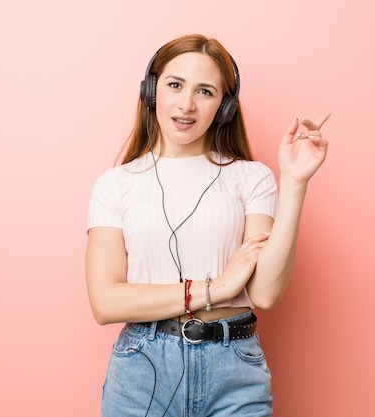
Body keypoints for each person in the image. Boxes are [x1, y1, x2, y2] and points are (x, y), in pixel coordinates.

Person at [85, 33, 330, 417]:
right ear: (151, 92)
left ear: (225, 106)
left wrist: (295, 182)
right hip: (142, 368)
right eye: (175, 85)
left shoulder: (252, 178)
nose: (186, 105)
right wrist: (216, 288)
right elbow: (105, 302)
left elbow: (264, 294)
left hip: (233, 368)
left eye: (205, 91)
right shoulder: (115, 184)